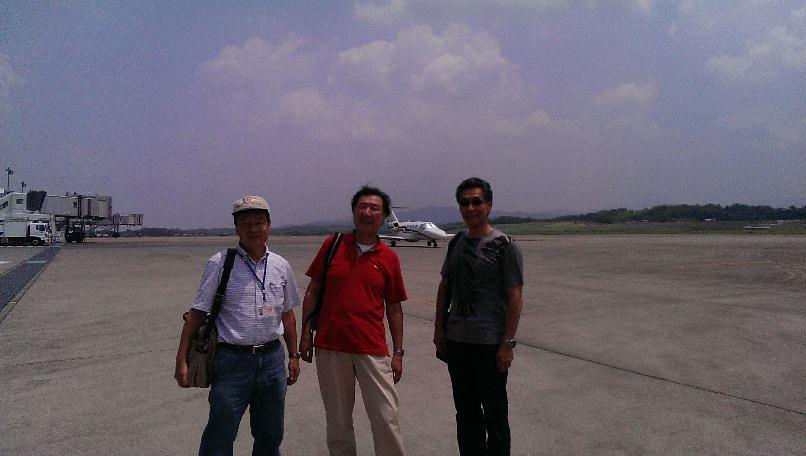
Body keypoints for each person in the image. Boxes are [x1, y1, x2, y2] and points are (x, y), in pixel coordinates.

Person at [175, 195, 302, 456]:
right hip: (231, 362)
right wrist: (181, 360)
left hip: (272, 360)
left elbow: (287, 314)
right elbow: (197, 314)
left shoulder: (281, 266)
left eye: (259, 222)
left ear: (269, 225)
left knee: (270, 434)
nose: (254, 229)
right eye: (246, 224)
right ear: (236, 228)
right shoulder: (220, 263)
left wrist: (294, 355)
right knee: (220, 434)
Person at [299, 186, 407, 456]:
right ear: (354, 212)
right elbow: (313, 291)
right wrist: (306, 334)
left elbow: (394, 308)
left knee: (386, 418)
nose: (367, 213)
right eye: (362, 207)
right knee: (338, 423)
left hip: (372, 348)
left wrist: (398, 352)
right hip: (331, 347)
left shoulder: (389, 258)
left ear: (383, 217)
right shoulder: (333, 245)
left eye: (374, 208)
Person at [433, 177, 524, 456]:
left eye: (476, 202)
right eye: (464, 203)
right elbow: (445, 286)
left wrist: (507, 344)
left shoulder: (504, 245)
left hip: (489, 345)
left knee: (495, 414)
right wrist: (439, 329)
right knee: (466, 413)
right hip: (458, 343)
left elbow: (515, 296)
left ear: (489, 205)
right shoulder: (457, 242)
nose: (470, 208)